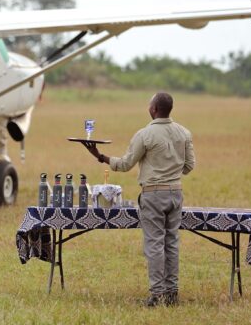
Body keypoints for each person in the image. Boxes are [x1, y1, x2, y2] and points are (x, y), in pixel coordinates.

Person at [82, 92, 195, 307]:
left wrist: (100, 156)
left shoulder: (145, 134)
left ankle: (156, 295)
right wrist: (171, 168)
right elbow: (189, 166)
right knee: (172, 243)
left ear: (153, 109)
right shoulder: (184, 133)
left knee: (154, 245)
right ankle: (172, 293)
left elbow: (125, 164)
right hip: (176, 193)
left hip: (153, 194)